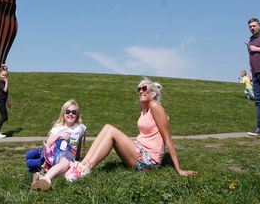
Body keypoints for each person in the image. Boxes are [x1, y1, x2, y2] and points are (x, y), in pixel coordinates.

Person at [61, 78, 198, 183]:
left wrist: (178, 169)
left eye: (145, 88)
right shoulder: (144, 108)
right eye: (139, 89)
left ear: (154, 92)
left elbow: (167, 138)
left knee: (111, 131)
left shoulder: (155, 106)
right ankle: (82, 165)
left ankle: (85, 169)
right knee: (107, 127)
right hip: (140, 150)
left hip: (149, 159)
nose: (141, 91)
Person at [30, 99, 87, 191]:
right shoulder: (59, 127)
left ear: (77, 115)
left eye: (73, 112)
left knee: (70, 172)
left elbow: (78, 144)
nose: (70, 114)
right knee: (66, 162)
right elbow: (48, 142)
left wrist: (77, 158)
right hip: (56, 155)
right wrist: (60, 135)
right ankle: (46, 178)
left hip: (70, 157)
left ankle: (38, 179)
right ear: (63, 114)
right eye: (67, 111)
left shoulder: (80, 128)